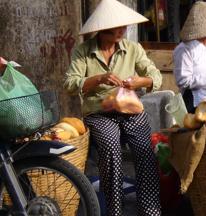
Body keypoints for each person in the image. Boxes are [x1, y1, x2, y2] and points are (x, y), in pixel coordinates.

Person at [63, 0, 162, 215]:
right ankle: (114, 210)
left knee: (145, 151)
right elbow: (70, 84)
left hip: (129, 110)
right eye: (115, 29)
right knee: (111, 148)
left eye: (122, 28)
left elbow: (155, 76)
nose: (121, 32)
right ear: (102, 30)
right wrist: (99, 79)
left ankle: (150, 210)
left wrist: (140, 82)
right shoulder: (83, 51)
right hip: (99, 113)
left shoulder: (133, 48)